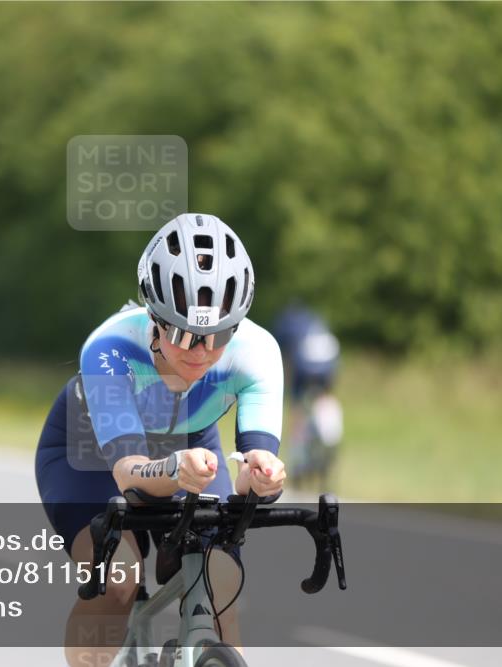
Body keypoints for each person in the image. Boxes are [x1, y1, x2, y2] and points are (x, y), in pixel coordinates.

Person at [34, 213, 286, 666]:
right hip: (88, 453)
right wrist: (175, 470)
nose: (201, 352)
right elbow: (129, 473)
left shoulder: (258, 352)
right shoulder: (109, 349)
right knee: (120, 578)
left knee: (220, 580)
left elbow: (255, 462)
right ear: (154, 317)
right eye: (183, 334)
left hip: (188, 447)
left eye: (219, 335)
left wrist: (261, 478)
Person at [271, 303, 343, 482]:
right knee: (325, 397)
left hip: (303, 366)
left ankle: (297, 456)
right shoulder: (316, 320)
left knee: (297, 409)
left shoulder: (285, 323)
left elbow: (280, 354)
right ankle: (330, 433)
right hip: (328, 363)